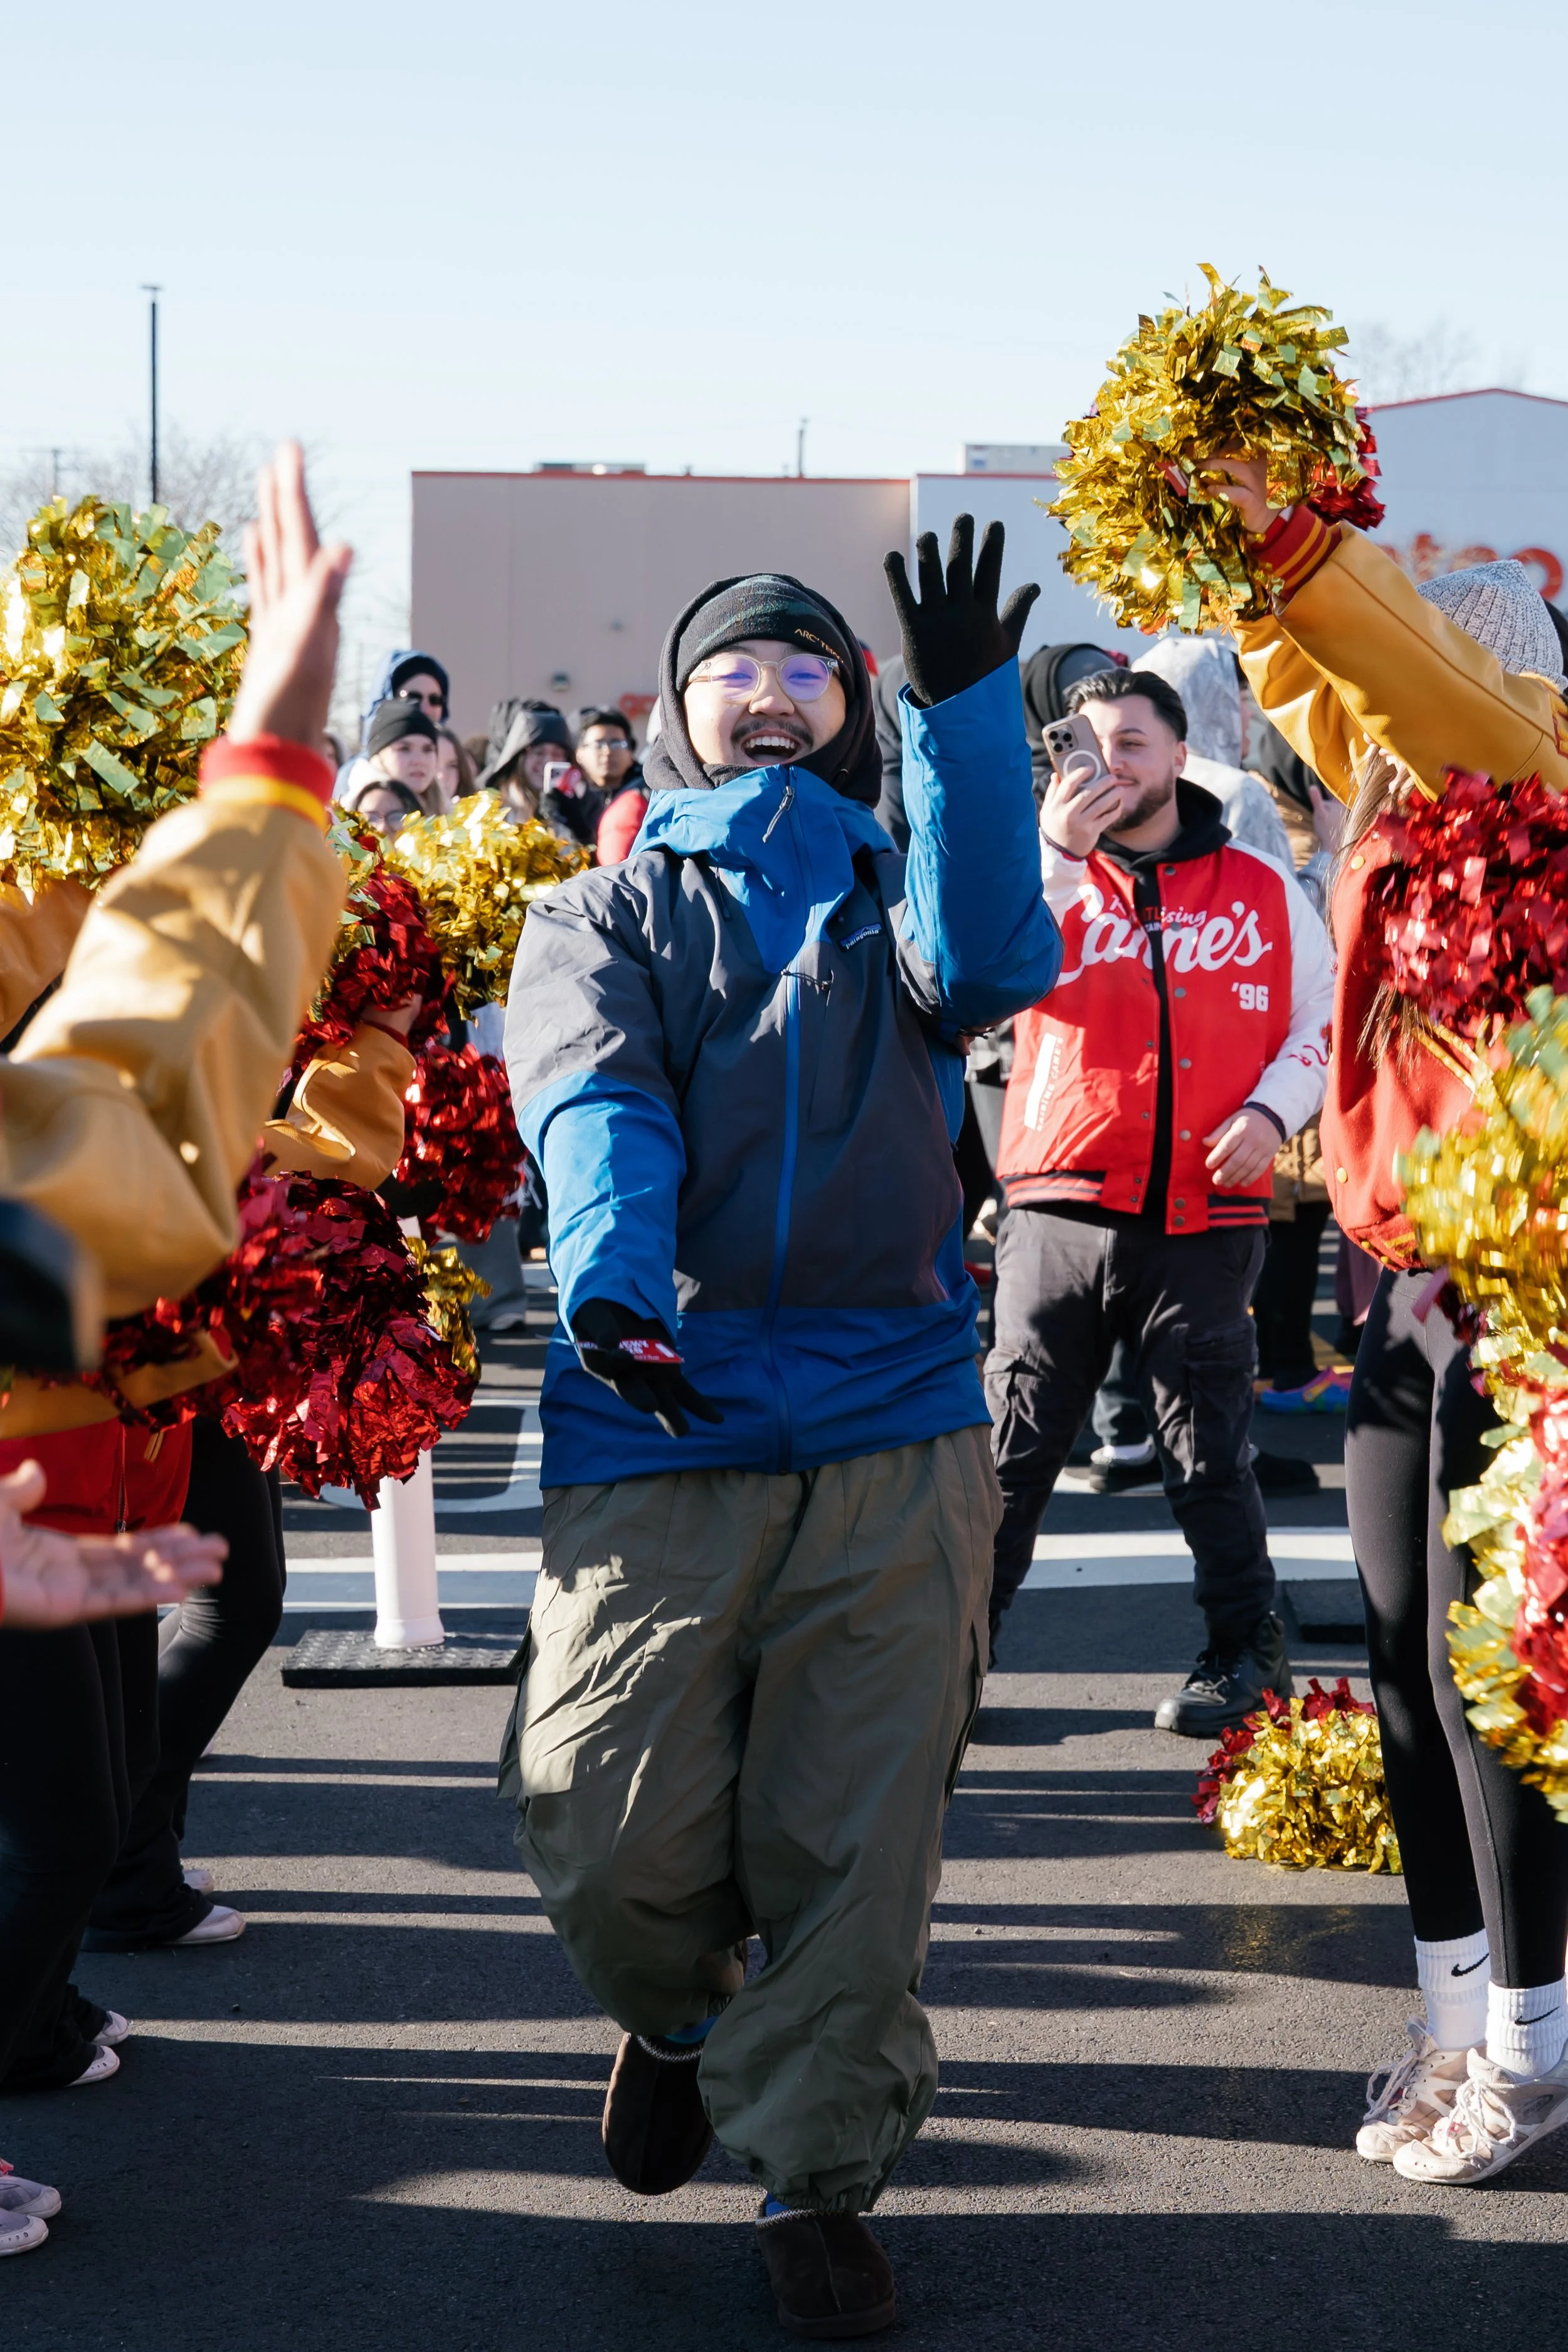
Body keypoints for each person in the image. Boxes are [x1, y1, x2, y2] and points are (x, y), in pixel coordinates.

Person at [502, 521, 1061, 2338]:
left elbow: (986, 955)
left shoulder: (902, 898)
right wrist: (613, 1285)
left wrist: (969, 714)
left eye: (807, 663)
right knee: (601, 1818)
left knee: (857, 1828)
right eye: (734, 662)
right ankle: (675, 2015)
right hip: (661, 1399)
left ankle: (815, 2173)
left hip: (897, 1411)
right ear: (674, 709)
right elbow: (598, 1099)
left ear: (842, 710)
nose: (770, 686)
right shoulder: (597, 913)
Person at [1205, 450, 1568, 2185]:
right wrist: (1227, 560)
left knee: (1480, 1681)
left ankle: (1533, 2039)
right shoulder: (1385, 813)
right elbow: (1326, 685)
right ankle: (1447, 2014)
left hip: (1522, 1296)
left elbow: (1404, 677)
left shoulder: (1531, 767)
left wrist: (1291, 541)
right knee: (1400, 1673)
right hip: (1405, 1293)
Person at [0, 440, 351, 2097]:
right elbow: (110, 1140)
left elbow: (122, 1123)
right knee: (57, 1806)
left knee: (90, 1774)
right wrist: (266, 786)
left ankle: (60, 1969)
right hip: (52, 1407)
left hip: (125, 1409)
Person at [985, 664, 1334, 1725]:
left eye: (1133, 744)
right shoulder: (1039, 875)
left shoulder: (1263, 891)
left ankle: (1243, 1653)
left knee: (1211, 1455)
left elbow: (1316, 1026)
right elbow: (980, 974)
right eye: (1088, 748)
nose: (1110, 766)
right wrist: (1055, 849)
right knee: (1012, 1454)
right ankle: (943, 1666)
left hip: (1206, 1217)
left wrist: (1274, 1113)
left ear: (1183, 756)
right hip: (1057, 1205)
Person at [573, 707, 647, 862]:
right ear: (579, 753)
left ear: (630, 752)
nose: (608, 751)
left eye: (617, 744)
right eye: (598, 744)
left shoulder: (649, 793)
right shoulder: (569, 799)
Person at [436, 724, 474, 808]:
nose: (443, 776)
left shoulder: (480, 817)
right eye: (434, 765)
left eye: (452, 766)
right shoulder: (402, 819)